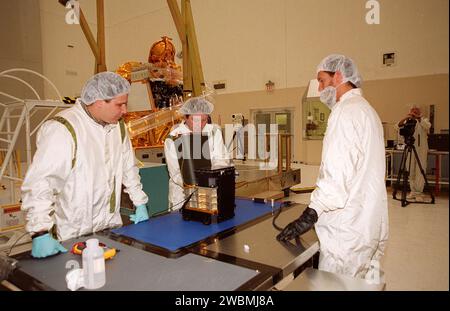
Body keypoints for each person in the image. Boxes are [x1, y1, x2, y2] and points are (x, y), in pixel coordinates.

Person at [277, 54, 389, 281]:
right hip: (369, 223)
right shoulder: (367, 111)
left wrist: (311, 213)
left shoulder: (344, 113)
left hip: (346, 233)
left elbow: (337, 174)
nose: (319, 88)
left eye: (321, 80)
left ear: (338, 76)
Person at [21, 72, 149, 258]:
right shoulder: (64, 129)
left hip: (109, 229)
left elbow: (128, 168)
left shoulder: (117, 128)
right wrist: (40, 231)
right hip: (71, 234)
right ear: (98, 102)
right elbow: (41, 183)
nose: (125, 111)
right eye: (119, 105)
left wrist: (140, 202)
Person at [164, 97, 231, 211]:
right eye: (195, 120)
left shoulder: (214, 132)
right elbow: (176, 173)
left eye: (204, 120)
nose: (199, 125)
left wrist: (210, 179)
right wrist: (195, 185)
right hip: (181, 196)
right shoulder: (174, 137)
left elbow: (221, 160)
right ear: (185, 117)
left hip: (210, 190)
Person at [397, 105, 431, 201]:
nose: (414, 112)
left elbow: (427, 126)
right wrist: (408, 117)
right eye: (413, 111)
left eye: (416, 111)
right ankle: (413, 191)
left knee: (420, 170)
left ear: (420, 112)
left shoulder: (424, 120)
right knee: (411, 170)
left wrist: (419, 118)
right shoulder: (408, 121)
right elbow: (398, 126)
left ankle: (419, 192)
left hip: (421, 149)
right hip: (410, 148)